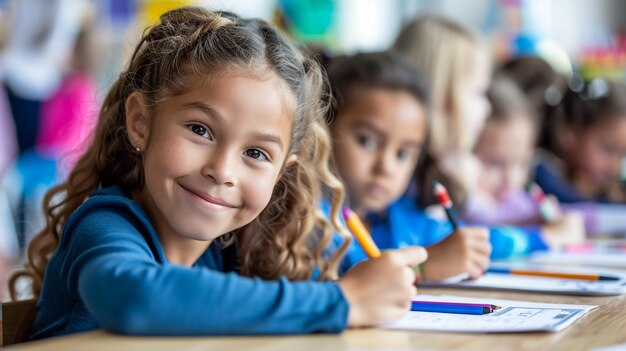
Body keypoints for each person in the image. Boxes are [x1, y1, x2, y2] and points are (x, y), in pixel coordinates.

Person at [16, 7, 427, 339]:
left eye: (255, 153)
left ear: (283, 172)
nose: (222, 171)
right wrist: (343, 302)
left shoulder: (226, 254)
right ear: (141, 122)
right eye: (200, 130)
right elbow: (135, 299)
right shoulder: (107, 223)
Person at [393, 15, 551, 258]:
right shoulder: (400, 175)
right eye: (478, 93)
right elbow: (444, 239)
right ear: (442, 98)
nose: (486, 109)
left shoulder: (434, 171)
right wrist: (541, 238)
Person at [324, 51, 490, 280]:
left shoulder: (397, 215)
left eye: (403, 154)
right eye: (367, 141)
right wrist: (423, 268)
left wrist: (471, 249)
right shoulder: (309, 224)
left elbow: (462, 240)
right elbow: (327, 289)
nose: (386, 167)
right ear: (322, 128)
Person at [467, 76, 584, 247]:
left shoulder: (516, 199)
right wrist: (544, 232)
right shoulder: (467, 201)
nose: (511, 178)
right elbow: (481, 227)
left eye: (521, 164)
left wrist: (542, 220)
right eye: (495, 163)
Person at [535, 76, 626, 204]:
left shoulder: (615, 193)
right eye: (608, 149)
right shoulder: (538, 176)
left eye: (623, 155)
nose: (615, 166)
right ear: (570, 133)